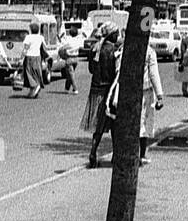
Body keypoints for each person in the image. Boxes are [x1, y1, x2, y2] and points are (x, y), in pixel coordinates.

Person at [107, 36, 164, 164]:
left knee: (127, 123)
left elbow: (117, 71)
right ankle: (141, 155)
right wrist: (159, 95)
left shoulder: (124, 50)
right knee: (143, 124)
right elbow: (153, 73)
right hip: (144, 91)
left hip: (126, 91)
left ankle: (122, 154)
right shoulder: (149, 52)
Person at [83, 25, 120, 167]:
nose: (117, 36)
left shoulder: (95, 49)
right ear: (111, 35)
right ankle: (115, 154)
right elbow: (115, 72)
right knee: (114, 123)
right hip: (108, 90)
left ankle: (93, 151)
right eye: (116, 33)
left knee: (98, 125)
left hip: (95, 89)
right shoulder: (113, 51)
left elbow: (91, 69)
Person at [21, 21, 47, 97]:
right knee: (36, 72)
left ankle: (35, 86)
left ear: (31, 30)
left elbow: (25, 48)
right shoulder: (41, 37)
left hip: (29, 56)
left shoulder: (28, 37)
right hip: (38, 56)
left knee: (29, 73)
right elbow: (44, 47)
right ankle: (33, 91)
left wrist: (21, 58)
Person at [59, 24, 84, 95]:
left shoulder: (69, 40)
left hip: (69, 58)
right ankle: (66, 88)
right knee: (69, 74)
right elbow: (81, 47)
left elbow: (63, 47)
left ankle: (75, 89)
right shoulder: (79, 40)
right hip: (76, 58)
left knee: (71, 74)